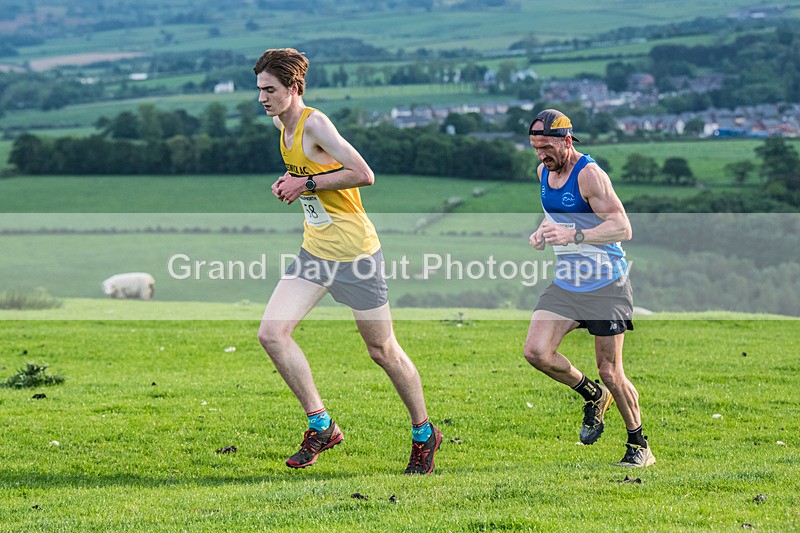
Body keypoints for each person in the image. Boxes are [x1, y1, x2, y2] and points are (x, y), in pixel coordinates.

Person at [253, 48, 441, 475]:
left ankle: (424, 433)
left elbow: (363, 173)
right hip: (316, 252)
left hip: (356, 255)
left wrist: (306, 183)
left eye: (270, 90)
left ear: (294, 88)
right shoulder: (282, 129)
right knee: (272, 334)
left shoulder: (314, 122)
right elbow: (310, 182)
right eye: (260, 90)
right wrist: (292, 183)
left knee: (382, 350)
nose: (262, 98)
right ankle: (322, 425)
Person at [525, 109, 655, 467]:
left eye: (547, 148)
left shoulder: (591, 176)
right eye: (536, 149)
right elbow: (554, 213)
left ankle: (640, 446)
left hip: (606, 284)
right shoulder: (543, 172)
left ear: (567, 141)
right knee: (537, 352)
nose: (541, 156)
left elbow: (622, 227)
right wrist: (542, 232)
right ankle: (591, 395)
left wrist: (575, 235)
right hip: (568, 284)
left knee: (611, 371)